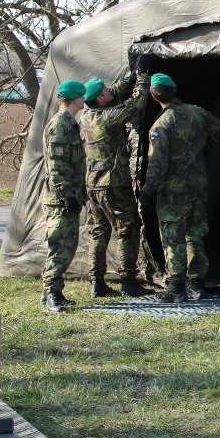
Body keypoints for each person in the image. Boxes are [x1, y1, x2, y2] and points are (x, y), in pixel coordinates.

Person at [140, 73, 220, 303]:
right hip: (197, 186)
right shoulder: (197, 113)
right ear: (174, 90)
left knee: (173, 237)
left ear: (153, 95)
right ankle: (197, 286)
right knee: (195, 234)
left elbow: (157, 165)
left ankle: (176, 288)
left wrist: (147, 191)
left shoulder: (161, 125)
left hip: (173, 191)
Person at [78, 56, 154, 297]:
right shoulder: (108, 118)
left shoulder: (87, 116)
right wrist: (142, 77)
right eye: (106, 90)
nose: (111, 89)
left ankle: (96, 281)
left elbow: (115, 93)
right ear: (100, 99)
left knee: (99, 231)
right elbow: (137, 103)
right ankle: (128, 280)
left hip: (93, 184)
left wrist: (128, 76)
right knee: (127, 228)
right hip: (114, 184)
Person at [40, 79, 87, 313]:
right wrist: (67, 194)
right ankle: (52, 293)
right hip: (60, 199)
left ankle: (50, 291)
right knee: (60, 246)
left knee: (67, 245)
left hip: (68, 195)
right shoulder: (60, 125)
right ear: (76, 99)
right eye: (82, 97)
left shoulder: (69, 123)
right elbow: (56, 165)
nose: (84, 100)